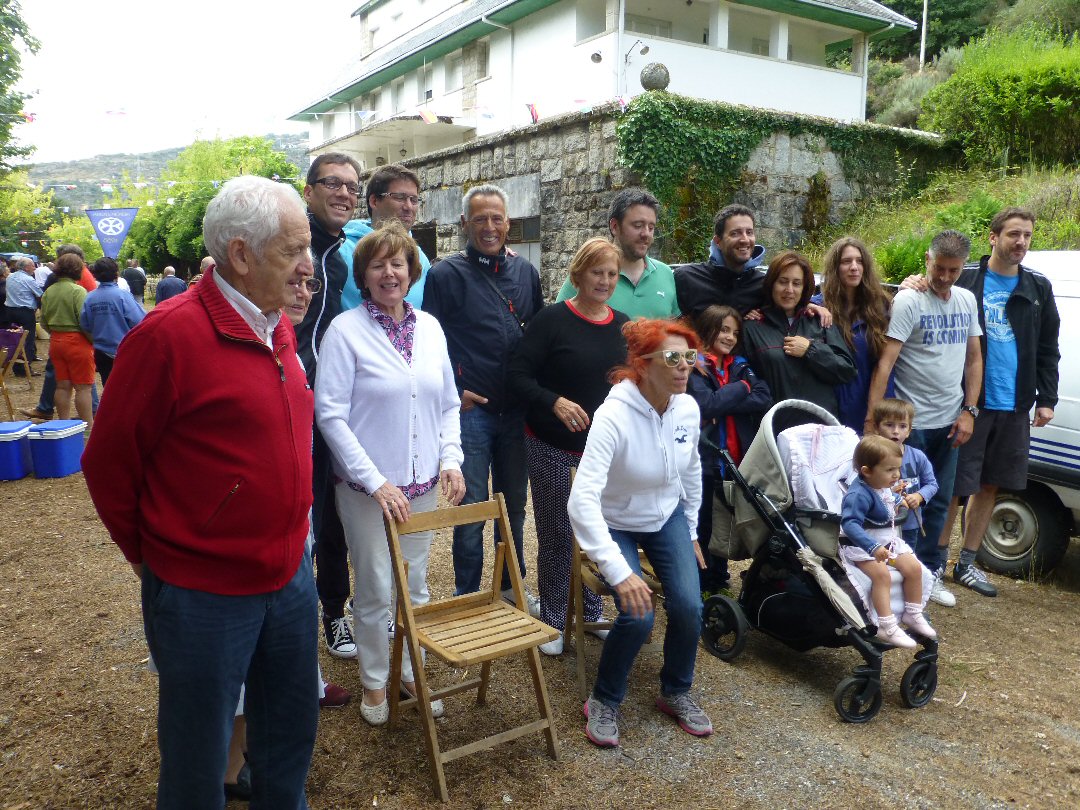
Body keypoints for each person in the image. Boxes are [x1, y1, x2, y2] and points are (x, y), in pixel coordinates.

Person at [82, 175, 320, 809]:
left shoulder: (276, 323)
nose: (309, 265)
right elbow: (107, 464)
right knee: (198, 757)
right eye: (293, 250)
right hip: (203, 591)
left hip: (290, 574)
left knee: (290, 733)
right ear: (240, 255)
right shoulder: (166, 336)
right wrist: (152, 558)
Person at [315, 222, 465, 725]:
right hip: (366, 489)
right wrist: (375, 480)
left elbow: (447, 404)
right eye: (377, 265)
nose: (389, 273)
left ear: (411, 271)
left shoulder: (431, 328)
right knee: (377, 585)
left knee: (415, 586)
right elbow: (330, 415)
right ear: (363, 275)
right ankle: (376, 681)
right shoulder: (345, 331)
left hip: (420, 485)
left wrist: (450, 459)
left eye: (397, 263)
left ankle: (410, 670)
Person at [567, 319, 711, 747]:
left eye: (690, 357)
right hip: (616, 521)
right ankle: (604, 699)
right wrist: (618, 570)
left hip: (666, 517)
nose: (684, 366)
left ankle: (675, 691)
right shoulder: (613, 415)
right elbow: (581, 500)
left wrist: (690, 530)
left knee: (690, 607)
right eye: (673, 357)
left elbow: (691, 471)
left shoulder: (687, 408)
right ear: (644, 364)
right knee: (638, 612)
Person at [506, 237, 630, 655]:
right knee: (558, 532)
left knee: (597, 530)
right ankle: (555, 617)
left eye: (612, 274)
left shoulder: (623, 326)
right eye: (597, 272)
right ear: (578, 274)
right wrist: (553, 401)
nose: (605, 281)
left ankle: (591, 612)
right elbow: (518, 375)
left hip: (602, 451)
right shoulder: (552, 320)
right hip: (552, 444)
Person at [424, 184, 544, 610]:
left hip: (516, 410)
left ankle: (510, 586)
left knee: (514, 506)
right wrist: (456, 393)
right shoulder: (445, 275)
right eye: (480, 219)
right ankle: (469, 594)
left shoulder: (526, 273)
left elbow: (537, 338)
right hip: (472, 411)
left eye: (497, 218)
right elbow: (430, 342)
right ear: (464, 224)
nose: (489, 227)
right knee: (472, 507)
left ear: (508, 223)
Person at [933, 208, 1060, 598]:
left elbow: (1048, 347)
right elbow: (932, 294)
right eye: (1013, 234)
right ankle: (934, 564)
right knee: (954, 485)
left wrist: (1046, 398)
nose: (1021, 242)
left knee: (989, 484)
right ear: (993, 237)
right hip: (970, 401)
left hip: (1015, 403)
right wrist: (913, 282)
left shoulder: (1038, 287)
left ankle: (966, 564)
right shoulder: (967, 278)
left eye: (1027, 235)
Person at [865, 230, 983, 608]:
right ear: (928, 260)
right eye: (939, 268)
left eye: (953, 270)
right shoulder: (909, 300)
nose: (945, 277)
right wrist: (872, 423)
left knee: (941, 500)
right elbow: (886, 363)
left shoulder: (966, 300)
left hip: (950, 422)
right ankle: (901, 574)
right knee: (902, 503)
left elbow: (974, 359)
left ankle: (931, 574)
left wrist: (969, 410)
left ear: (963, 267)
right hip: (910, 427)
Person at [297, 153, 365, 660]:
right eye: (332, 184)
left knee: (335, 513)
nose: (344, 193)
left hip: (329, 405)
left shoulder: (340, 257)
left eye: (351, 187)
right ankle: (295, 623)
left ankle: (333, 611)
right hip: (290, 402)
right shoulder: (292, 245)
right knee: (300, 517)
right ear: (308, 190)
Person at [687, 304, 772, 593]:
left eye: (735, 332)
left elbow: (764, 396)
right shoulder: (696, 364)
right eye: (723, 330)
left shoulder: (740, 365)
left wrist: (724, 401)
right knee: (703, 524)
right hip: (707, 457)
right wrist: (742, 389)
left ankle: (718, 580)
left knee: (723, 523)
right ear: (707, 330)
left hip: (734, 460)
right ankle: (699, 585)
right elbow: (706, 404)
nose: (730, 337)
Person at [839, 435, 936, 649]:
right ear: (867, 471)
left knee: (913, 568)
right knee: (882, 575)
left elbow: (888, 499)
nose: (896, 475)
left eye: (898, 468)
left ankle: (912, 613)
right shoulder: (858, 495)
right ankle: (886, 625)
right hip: (862, 548)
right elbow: (850, 524)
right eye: (890, 470)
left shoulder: (880, 484)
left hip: (887, 543)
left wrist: (900, 500)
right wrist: (872, 547)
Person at [740, 251, 855, 417]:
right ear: (771, 284)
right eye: (782, 282)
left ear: (804, 288)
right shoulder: (752, 327)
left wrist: (811, 350)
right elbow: (745, 381)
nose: (789, 290)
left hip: (821, 425)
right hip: (774, 426)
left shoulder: (820, 321)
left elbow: (846, 371)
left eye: (796, 283)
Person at [555, 188, 680, 319]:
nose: (646, 234)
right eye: (638, 225)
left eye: (651, 227)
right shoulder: (586, 275)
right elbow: (557, 323)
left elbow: (676, 326)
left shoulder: (666, 274)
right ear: (614, 226)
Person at [813, 237, 893, 433]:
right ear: (835, 268)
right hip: (834, 406)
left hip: (876, 402)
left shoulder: (881, 305)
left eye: (859, 261)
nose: (854, 267)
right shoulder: (818, 307)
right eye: (846, 261)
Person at [339, 164, 431, 310]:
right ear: (374, 201)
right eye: (400, 197)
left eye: (413, 200)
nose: (408, 207)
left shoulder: (421, 259)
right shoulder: (340, 250)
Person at [871, 398, 939, 560]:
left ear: (909, 431)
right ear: (877, 427)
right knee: (882, 560)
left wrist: (919, 496)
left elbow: (932, 484)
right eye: (889, 425)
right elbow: (864, 486)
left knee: (906, 558)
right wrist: (889, 493)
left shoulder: (917, 456)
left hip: (909, 524)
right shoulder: (871, 456)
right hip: (880, 524)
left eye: (902, 426)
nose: (896, 431)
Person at [40, 253, 95, 428]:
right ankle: (88, 427)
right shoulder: (78, 291)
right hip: (78, 342)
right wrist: (93, 341)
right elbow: (84, 321)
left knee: (62, 386)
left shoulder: (49, 291)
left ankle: (64, 425)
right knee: (83, 388)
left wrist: (55, 332)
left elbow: (43, 321)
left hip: (56, 340)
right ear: (78, 269)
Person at [79, 257, 145, 387]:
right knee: (127, 387)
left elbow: (85, 325)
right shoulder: (122, 295)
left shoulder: (90, 298)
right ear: (116, 273)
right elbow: (140, 320)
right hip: (123, 351)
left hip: (101, 352)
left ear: (95, 274)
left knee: (108, 387)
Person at [3, 256, 42, 366]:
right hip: (24, 312)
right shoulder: (28, 279)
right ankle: (25, 367)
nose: (34, 268)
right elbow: (40, 294)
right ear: (26, 267)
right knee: (28, 338)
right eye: (32, 265)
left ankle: (15, 362)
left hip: (10, 311)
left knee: (14, 338)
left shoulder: (10, 277)